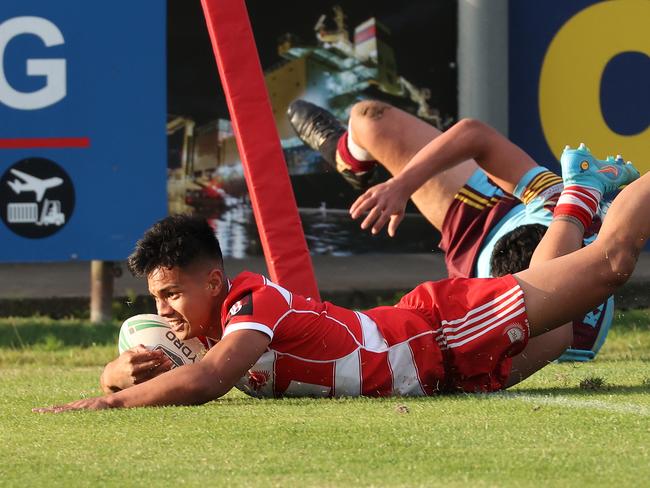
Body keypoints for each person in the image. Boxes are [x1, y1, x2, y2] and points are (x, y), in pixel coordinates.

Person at [34, 151, 644, 412]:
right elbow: (169, 364)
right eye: (156, 300)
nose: (163, 310)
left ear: (215, 280)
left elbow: (210, 379)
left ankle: (588, 197)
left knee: (611, 265)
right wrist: (113, 372)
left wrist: (111, 402)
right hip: (438, 378)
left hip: (439, 333)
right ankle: (580, 193)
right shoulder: (205, 329)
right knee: (563, 330)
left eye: (171, 293)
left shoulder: (252, 301)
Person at [287, 99, 631, 361]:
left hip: (475, 256)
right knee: (369, 118)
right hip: (498, 210)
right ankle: (348, 158)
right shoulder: (562, 206)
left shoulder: (516, 322)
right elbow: (474, 134)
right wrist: (401, 186)